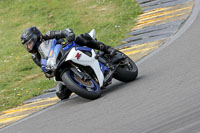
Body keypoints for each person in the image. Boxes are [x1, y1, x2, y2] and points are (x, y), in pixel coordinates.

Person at [20, 26, 116, 100]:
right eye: (27, 45)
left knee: (82, 38)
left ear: (36, 37)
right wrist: (47, 71)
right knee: (61, 94)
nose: (29, 47)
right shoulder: (36, 56)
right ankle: (80, 83)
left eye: (29, 43)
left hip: (69, 50)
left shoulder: (48, 35)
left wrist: (68, 34)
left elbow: (65, 31)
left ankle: (107, 49)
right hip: (59, 66)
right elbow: (43, 67)